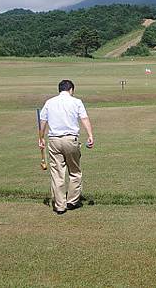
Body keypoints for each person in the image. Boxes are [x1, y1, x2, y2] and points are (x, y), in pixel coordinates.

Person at [39, 79, 94, 215]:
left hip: (54, 140)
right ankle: (72, 201)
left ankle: (60, 206)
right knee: (75, 171)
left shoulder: (49, 102)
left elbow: (43, 122)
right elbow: (84, 119)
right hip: (71, 140)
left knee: (57, 173)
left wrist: (40, 138)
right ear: (71, 90)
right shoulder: (76, 102)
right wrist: (90, 135)